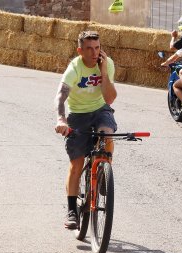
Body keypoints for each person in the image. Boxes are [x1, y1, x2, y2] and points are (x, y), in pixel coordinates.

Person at [54, 31, 117, 229]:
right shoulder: (74, 69)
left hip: (100, 109)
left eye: (97, 47)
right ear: (80, 50)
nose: (94, 52)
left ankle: (105, 170)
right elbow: (60, 97)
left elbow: (110, 99)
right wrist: (61, 119)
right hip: (78, 115)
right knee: (76, 163)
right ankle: (72, 210)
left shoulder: (107, 63)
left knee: (107, 132)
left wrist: (104, 72)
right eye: (89, 48)